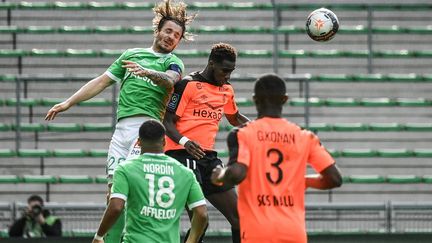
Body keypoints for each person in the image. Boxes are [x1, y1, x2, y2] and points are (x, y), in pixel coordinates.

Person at [44, 1, 196, 242]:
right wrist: (67, 103)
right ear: (158, 30)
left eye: (176, 36)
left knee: (132, 190)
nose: (171, 37)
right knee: (112, 195)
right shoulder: (130, 55)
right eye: (168, 31)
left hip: (146, 133)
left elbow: (171, 80)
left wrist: (149, 73)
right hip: (121, 132)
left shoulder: (172, 61)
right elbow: (101, 81)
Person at [211, 73, 343, 243]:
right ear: (285, 99)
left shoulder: (243, 134)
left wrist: (219, 175)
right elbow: (334, 178)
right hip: (293, 233)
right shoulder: (304, 136)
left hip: (257, 233)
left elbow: (237, 173)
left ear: (255, 99)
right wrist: (303, 181)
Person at [163, 42, 249, 243]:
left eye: (231, 71)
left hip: (208, 159)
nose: (227, 76)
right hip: (181, 155)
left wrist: (261, 128)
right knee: (201, 221)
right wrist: (185, 142)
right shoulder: (187, 85)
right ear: (211, 64)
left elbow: (234, 117)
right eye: (224, 70)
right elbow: (166, 121)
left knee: (241, 219)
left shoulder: (226, 89)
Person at [92, 120, 208, 243]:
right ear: (164, 141)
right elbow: (202, 214)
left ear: (139, 142)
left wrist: (99, 236)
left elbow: (116, 207)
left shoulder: (125, 169)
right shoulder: (185, 173)